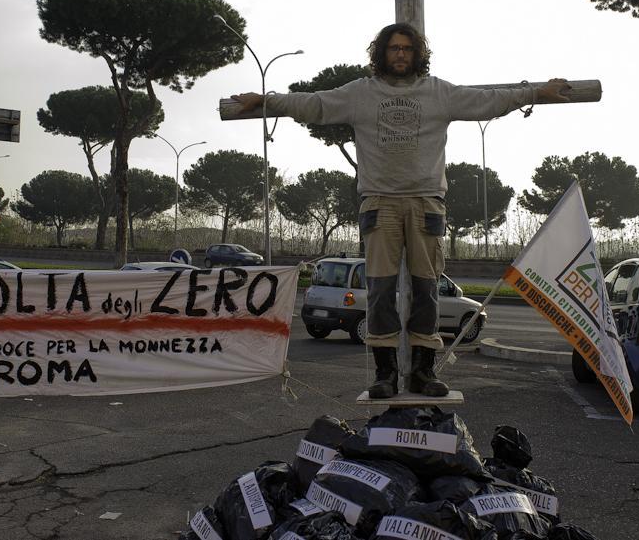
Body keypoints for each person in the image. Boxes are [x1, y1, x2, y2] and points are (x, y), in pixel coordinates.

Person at [233, 23, 571, 398]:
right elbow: (314, 104)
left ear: (417, 54)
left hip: (427, 202)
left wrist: (535, 92)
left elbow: (489, 99)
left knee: (427, 289)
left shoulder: (439, 92)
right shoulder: (360, 93)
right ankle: (385, 373)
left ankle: (423, 372)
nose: (400, 54)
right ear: (382, 53)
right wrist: (267, 100)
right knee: (380, 290)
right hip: (380, 203)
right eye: (393, 48)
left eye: (407, 49)